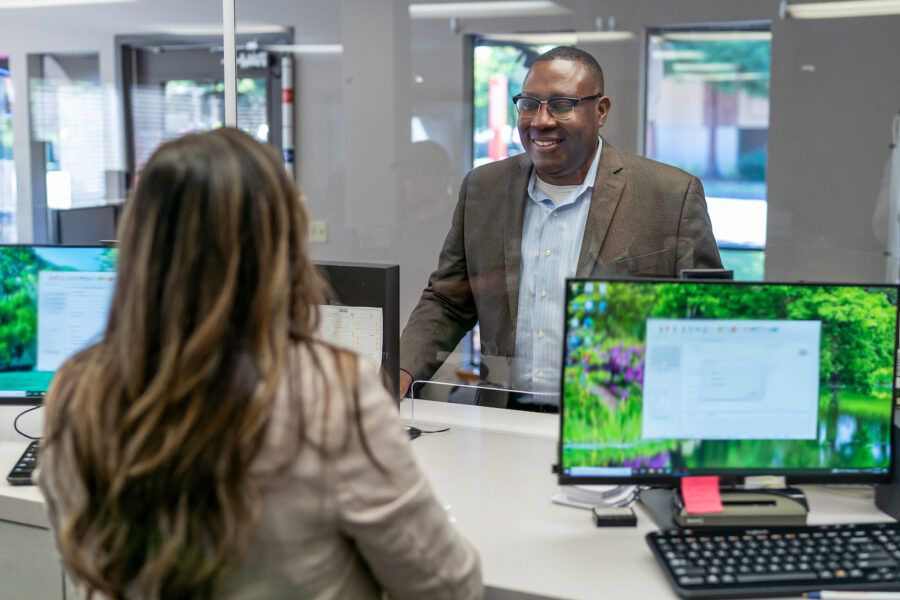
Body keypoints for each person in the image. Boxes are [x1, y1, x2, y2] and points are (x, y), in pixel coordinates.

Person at [36, 128, 482, 599]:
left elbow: (82, 559)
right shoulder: (331, 392)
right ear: (279, 243)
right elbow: (448, 588)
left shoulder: (78, 389)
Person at [399, 46, 721, 410]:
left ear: (601, 111)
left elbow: (704, 322)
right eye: (529, 104)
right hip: (503, 417)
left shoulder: (669, 195)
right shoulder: (484, 189)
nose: (541, 120)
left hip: (615, 423)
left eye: (562, 104)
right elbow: (448, 300)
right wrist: (399, 371)